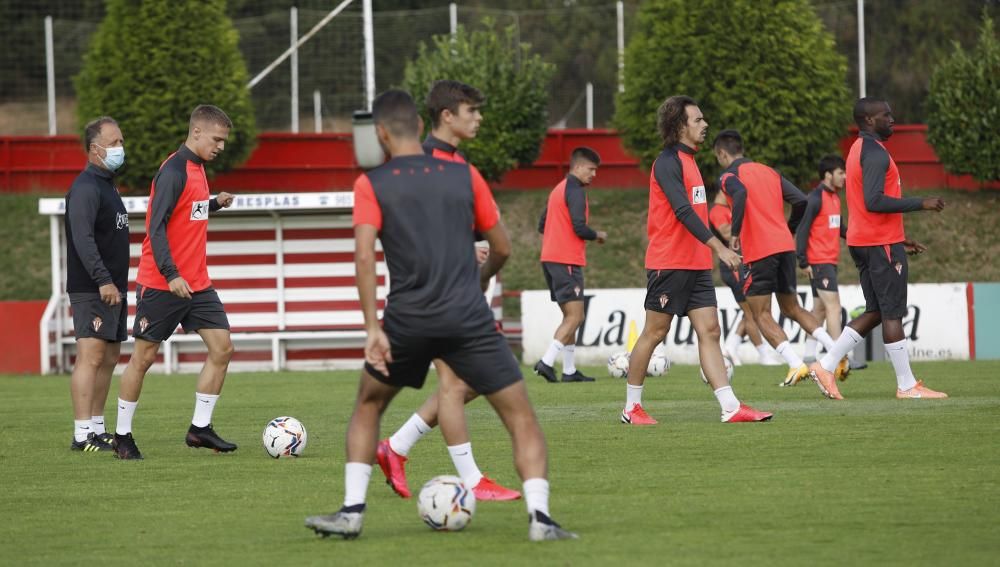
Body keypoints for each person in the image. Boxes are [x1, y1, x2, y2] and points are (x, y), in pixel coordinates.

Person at [305, 89, 577, 541]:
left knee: (369, 404)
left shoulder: (371, 183)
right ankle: (540, 518)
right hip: (467, 319)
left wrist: (373, 327)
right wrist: (481, 277)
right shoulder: (463, 175)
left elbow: (363, 259)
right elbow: (503, 246)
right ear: (420, 125)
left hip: (406, 321)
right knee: (520, 416)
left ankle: (352, 512)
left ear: (381, 133)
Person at [375, 80, 521, 502]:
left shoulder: (457, 164)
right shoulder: (419, 161)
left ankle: (396, 446)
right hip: (431, 296)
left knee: (474, 381)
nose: (478, 118)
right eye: (471, 110)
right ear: (446, 116)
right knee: (456, 384)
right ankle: (472, 481)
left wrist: (467, 247)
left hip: (456, 292)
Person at [620, 95, 772, 426]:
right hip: (670, 262)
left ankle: (730, 406)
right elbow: (683, 211)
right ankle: (631, 407)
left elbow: (696, 214)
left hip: (695, 264)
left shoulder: (692, 162)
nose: (705, 125)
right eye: (698, 120)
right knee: (655, 332)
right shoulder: (667, 162)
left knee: (710, 330)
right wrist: (720, 248)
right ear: (679, 126)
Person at [112, 105, 237, 460]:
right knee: (143, 359)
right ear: (197, 133)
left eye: (224, 141)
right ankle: (122, 436)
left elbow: (188, 212)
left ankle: (200, 429)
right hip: (163, 283)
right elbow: (156, 226)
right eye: (217, 139)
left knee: (222, 349)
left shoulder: (198, 169)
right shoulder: (174, 170)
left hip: (197, 284)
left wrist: (214, 205)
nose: (221, 147)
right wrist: (172, 274)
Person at [809, 98, 947, 400]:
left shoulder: (860, 149)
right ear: (869, 120)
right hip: (878, 243)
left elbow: (866, 203)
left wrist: (900, 236)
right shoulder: (873, 153)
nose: (892, 118)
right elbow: (874, 201)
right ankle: (906, 385)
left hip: (870, 241)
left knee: (874, 312)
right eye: (886, 115)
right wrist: (920, 204)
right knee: (893, 312)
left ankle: (826, 365)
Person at [713, 129, 845, 393]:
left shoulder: (728, 176)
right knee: (793, 309)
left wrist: (736, 234)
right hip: (784, 246)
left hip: (760, 250)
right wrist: (789, 228)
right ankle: (836, 352)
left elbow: (739, 195)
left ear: (722, 153)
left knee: (760, 313)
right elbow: (801, 200)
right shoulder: (769, 171)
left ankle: (796, 363)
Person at [65, 116, 130, 452]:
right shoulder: (85, 188)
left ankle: (97, 427)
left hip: (114, 289)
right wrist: (104, 280)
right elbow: (83, 239)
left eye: (121, 141)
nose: (121, 148)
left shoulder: (108, 185)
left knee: (109, 357)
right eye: (115, 142)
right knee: (90, 357)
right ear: (95, 149)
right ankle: (81, 435)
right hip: (93, 288)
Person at [534, 147, 607, 382]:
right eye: (591, 169)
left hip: (550, 259)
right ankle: (546, 362)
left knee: (570, 316)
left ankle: (568, 370)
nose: (594, 174)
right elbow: (579, 227)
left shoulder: (558, 189)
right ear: (577, 167)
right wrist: (597, 235)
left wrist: (556, 238)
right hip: (565, 260)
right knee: (575, 317)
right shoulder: (575, 191)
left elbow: (542, 224)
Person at [707, 189, 780, 366]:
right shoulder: (717, 211)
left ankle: (731, 346)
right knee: (751, 313)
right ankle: (763, 355)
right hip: (732, 266)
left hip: (740, 264)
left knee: (752, 311)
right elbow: (726, 234)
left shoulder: (726, 210)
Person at [797, 155, 848, 368]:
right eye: (840, 173)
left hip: (829, 262)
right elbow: (802, 230)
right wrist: (802, 261)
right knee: (834, 307)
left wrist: (863, 239)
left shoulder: (835, 198)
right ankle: (838, 359)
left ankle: (809, 356)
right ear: (828, 175)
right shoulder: (815, 198)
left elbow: (842, 230)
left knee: (818, 310)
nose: (844, 177)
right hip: (819, 262)